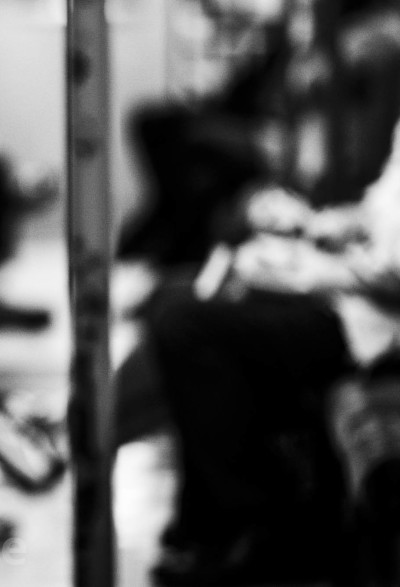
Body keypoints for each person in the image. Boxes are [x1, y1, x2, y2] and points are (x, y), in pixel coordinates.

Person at [145, 121, 400, 584]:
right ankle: (208, 523)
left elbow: (392, 268)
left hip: (372, 323)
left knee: (186, 326)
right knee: (176, 297)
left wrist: (303, 270)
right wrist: (320, 224)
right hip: (349, 293)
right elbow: (381, 214)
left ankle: (249, 520)